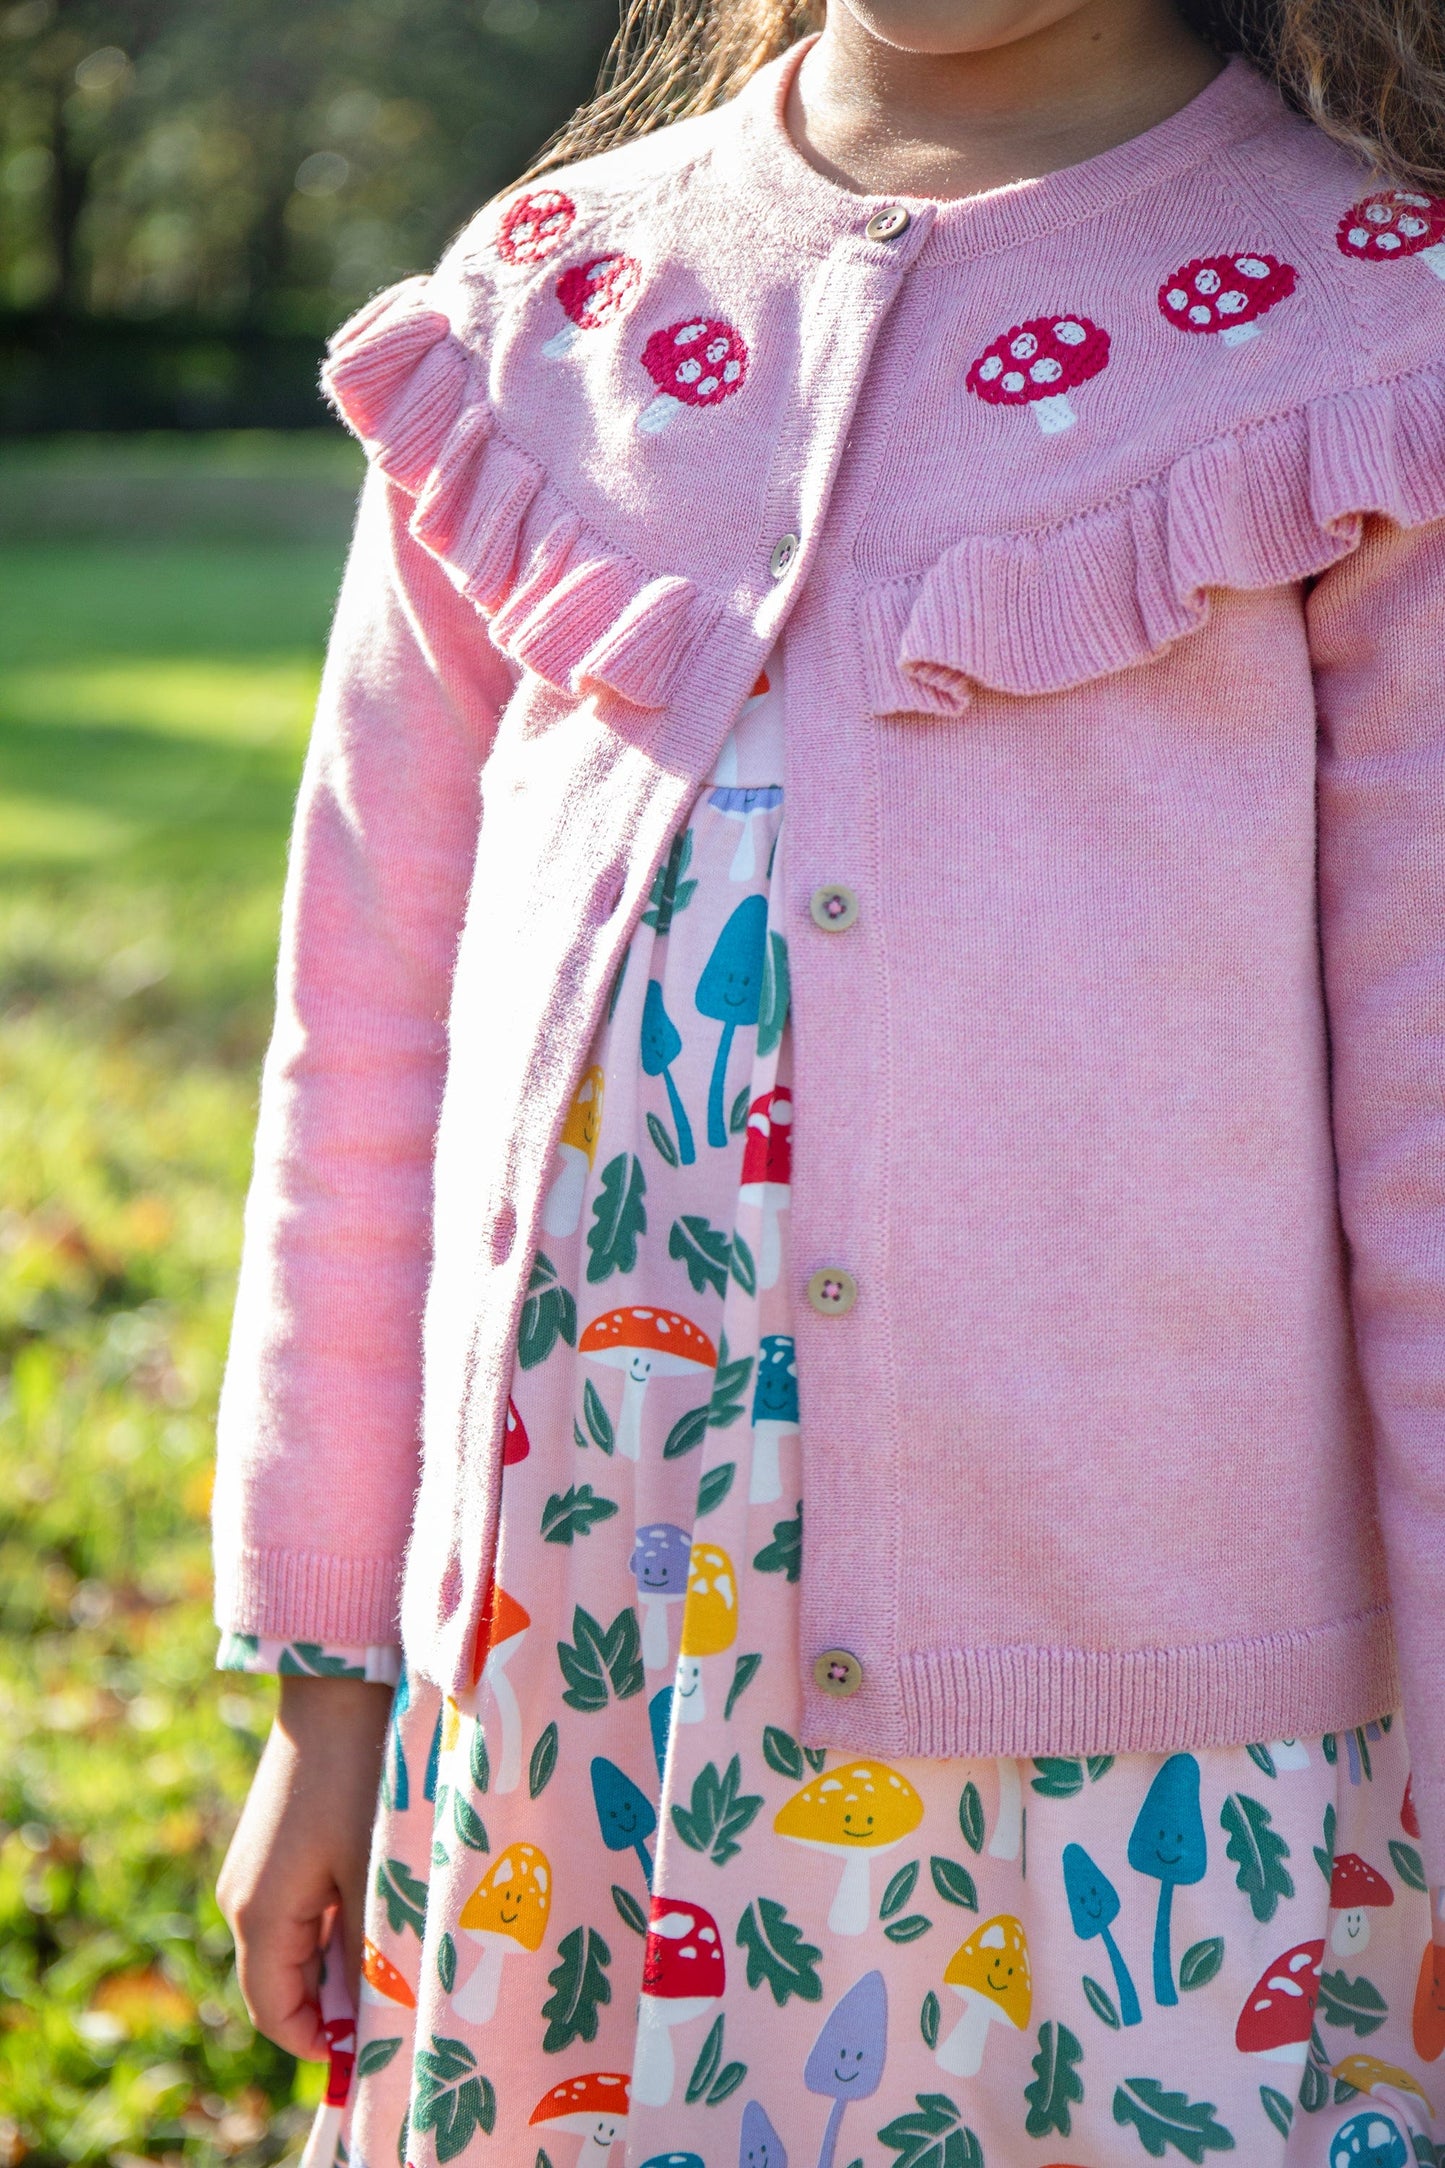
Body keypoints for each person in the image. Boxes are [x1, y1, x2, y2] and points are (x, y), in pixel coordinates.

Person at [212, 0, 1445, 2159]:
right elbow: (366, 1038)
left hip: (1145, 1728)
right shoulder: (547, 301)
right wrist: (332, 1681)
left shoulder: (1373, 330)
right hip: (566, 1677)